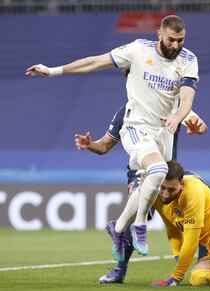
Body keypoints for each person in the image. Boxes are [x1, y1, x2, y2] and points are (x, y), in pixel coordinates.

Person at [26, 15, 199, 258]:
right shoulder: (138, 50)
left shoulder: (189, 59)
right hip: (136, 126)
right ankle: (140, 225)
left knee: (154, 180)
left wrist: (179, 116)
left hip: (164, 132)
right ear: (158, 34)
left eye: (180, 40)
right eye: (171, 40)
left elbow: (188, 99)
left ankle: (117, 229)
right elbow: (95, 63)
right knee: (158, 170)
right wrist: (53, 71)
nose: (175, 45)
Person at [75, 106, 208, 283]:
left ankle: (203, 266)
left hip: (170, 172)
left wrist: (198, 128)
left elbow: (200, 125)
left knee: (201, 200)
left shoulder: (171, 104)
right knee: (133, 216)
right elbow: (104, 146)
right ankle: (120, 269)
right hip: (140, 172)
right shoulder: (126, 111)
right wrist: (90, 144)